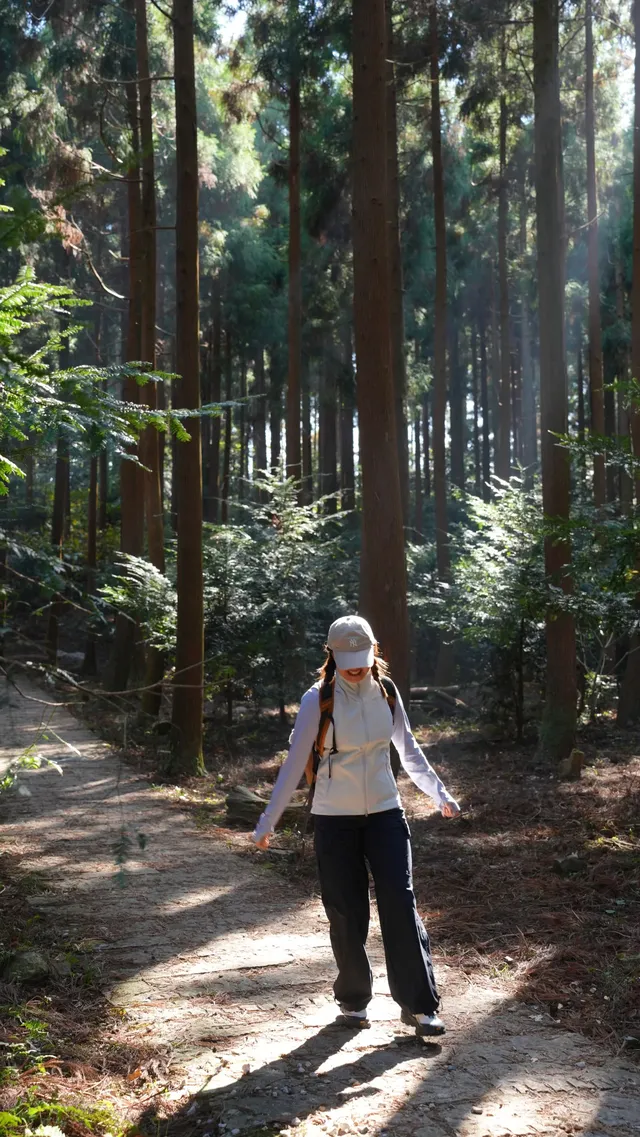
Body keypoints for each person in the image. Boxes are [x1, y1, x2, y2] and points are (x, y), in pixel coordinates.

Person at [251, 615, 460, 1038]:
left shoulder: (386, 692)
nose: (355, 667)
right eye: (346, 659)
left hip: (385, 813)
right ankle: (353, 1000)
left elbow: (408, 749)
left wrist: (439, 794)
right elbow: (293, 765)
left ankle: (421, 1007)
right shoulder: (318, 700)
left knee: (400, 903)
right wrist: (267, 820)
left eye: (361, 658)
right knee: (346, 912)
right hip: (334, 819)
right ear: (331, 654)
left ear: (373, 653)